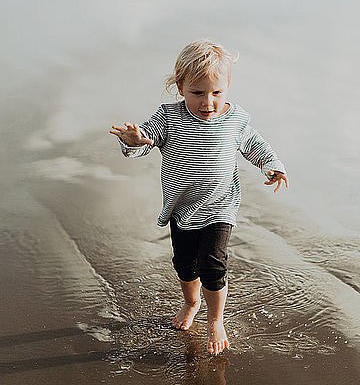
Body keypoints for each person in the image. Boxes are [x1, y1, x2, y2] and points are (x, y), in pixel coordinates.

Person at [109, 39, 288, 355]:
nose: (208, 102)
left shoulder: (236, 119)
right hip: (182, 209)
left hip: (221, 207)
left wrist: (272, 165)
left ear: (227, 86)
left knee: (212, 264)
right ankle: (191, 302)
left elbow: (254, 145)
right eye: (198, 93)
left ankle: (216, 319)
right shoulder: (168, 117)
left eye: (217, 93)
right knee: (184, 265)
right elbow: (144, 141)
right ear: (180, 87)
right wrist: (134, 140)